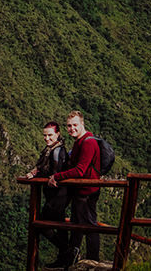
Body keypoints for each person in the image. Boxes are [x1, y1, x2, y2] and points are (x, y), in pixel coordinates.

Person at [49, 110, 102, 266]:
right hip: (80, 191)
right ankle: (71, 259)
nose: (72, 128)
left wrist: (56, 177)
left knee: (90, 225)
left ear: (82, 124)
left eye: (75, 125)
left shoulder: (88, 142)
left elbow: (80, 170)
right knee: (77, 225)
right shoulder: (80, 141)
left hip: (87, 191)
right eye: (69, 126)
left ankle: (93, 261)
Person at [25, 121, 69, 265]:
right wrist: (35, 171)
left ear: (57, 134)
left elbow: (54, 173)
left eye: (50, 135)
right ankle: (64, 258)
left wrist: (39, 175)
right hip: (56, 195)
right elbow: (43, 167)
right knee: (60, 225)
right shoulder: (50, 149)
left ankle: (67, 251)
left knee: (42, 225)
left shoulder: (57, 151)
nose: (47, 138)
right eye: (45, 135)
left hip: (58, 195)